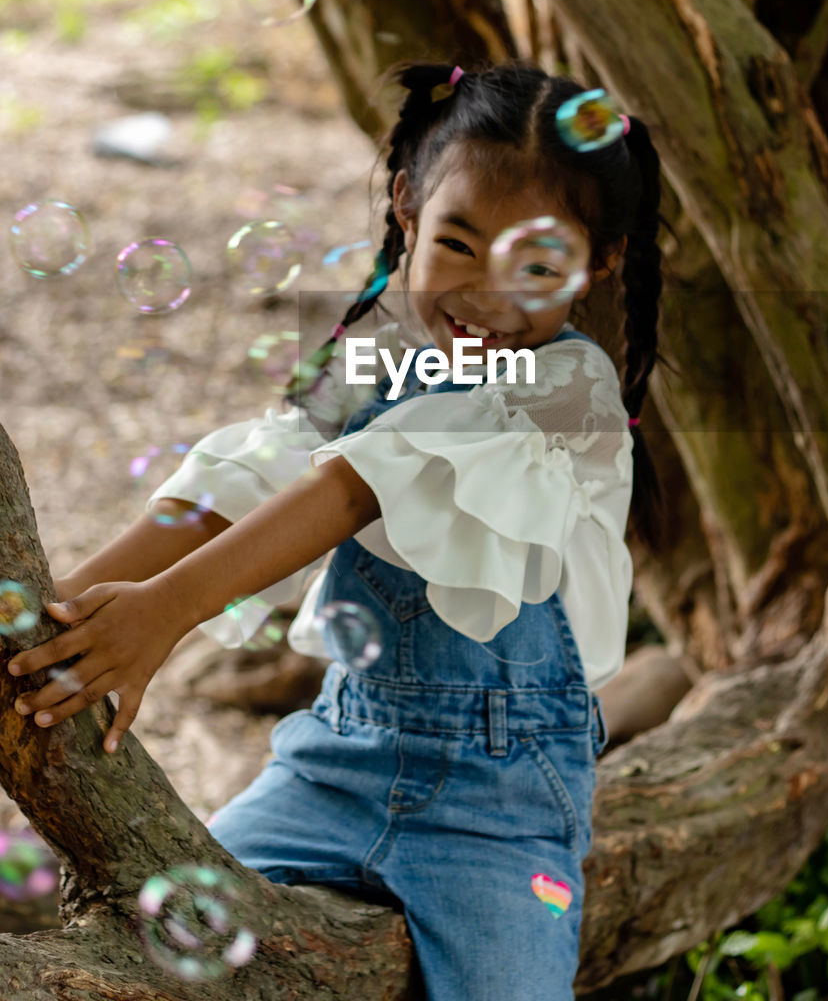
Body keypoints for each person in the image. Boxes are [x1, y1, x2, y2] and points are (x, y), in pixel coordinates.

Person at [8, 62, 671, 1000]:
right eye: (457, 242)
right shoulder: (370, 348)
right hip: (333, 760)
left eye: (533, 267)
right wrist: (57, 620)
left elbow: (363, 483)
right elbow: (252, 470)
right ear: (406, 208)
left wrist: (163, 615)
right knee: (174, 953)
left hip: (500, 808)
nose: (482, 293)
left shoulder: (567, 392)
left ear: (599, 262)